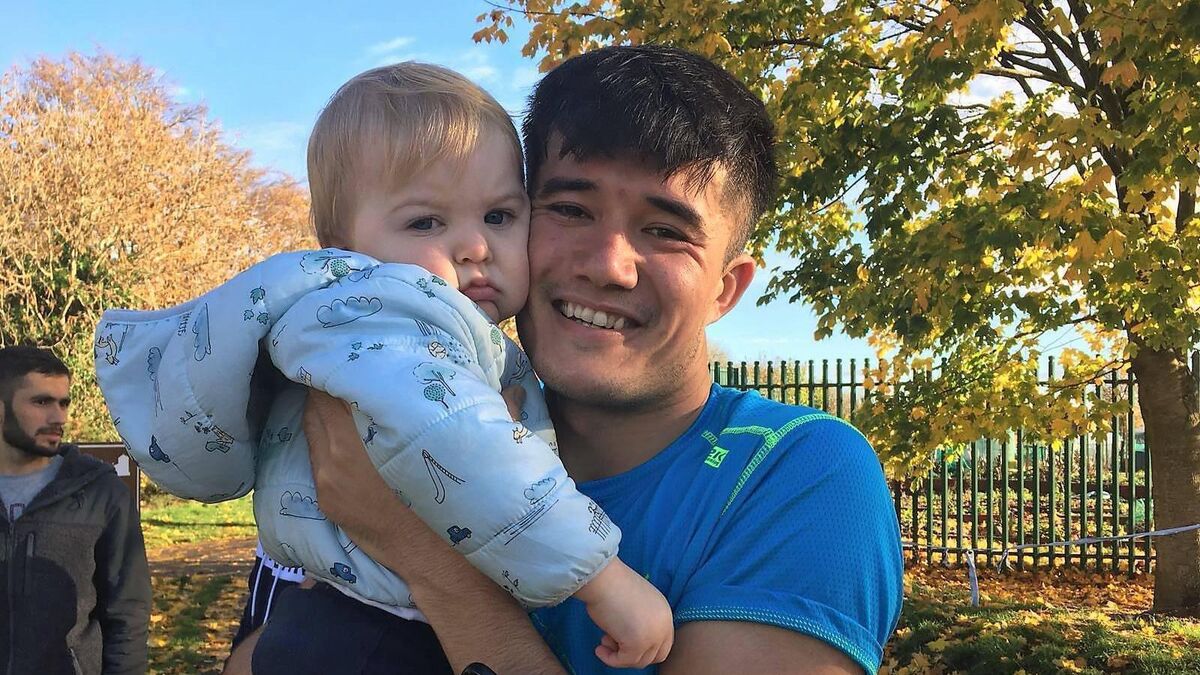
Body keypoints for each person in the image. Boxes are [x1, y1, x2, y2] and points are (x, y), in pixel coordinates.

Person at [289, 44, 905, 675]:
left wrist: (428, 556)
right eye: (570, 210)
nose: (608, 266)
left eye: (665, 231)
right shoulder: (383, 407)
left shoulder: (800, 475)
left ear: (726, 289)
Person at [93, 62, 671, 674]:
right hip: (379, 638)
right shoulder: (387, 312)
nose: (476, 246)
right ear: (341, 247)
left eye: (499, 215)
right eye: (426, 222)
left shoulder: (381, 328)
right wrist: (600, 578)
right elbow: (467, 448)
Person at [0, 345, 151, 675]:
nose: (59, 418)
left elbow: (127, 613)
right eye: (41, 402)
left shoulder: (101, 493)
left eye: (63, 403)